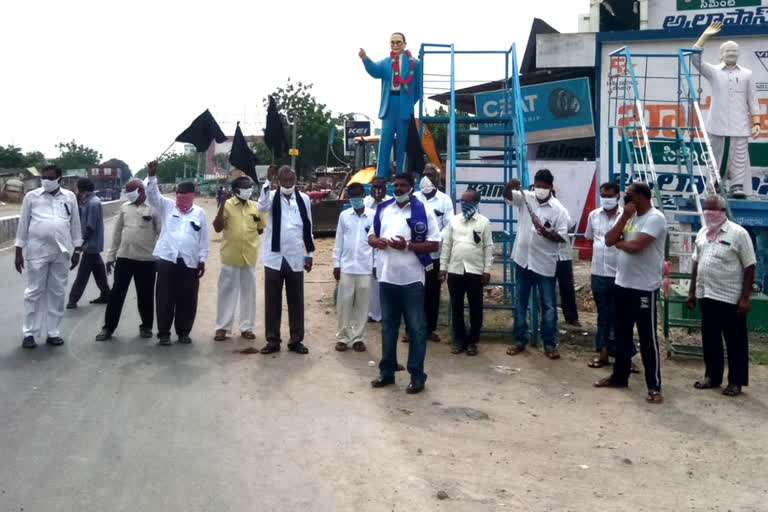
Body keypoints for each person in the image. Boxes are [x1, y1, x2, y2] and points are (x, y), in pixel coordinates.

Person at [595, 182, 668, 404]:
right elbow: (609, 240)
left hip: (644, 287)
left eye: (629, 197)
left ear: (640, 198)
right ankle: (619, 377)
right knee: (622, 335)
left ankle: (654, 386)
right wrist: (624, 219)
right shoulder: (631, 219)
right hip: (623, 285)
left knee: (647, 338)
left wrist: (621, 244)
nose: (626, 201)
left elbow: (637, 247)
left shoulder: (655, 218)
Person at [368, 173, 440, 394]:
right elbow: (371, 236)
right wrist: (377, 241)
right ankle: (387, 372)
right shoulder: (384, 209)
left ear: (411, 188)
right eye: (395, 185)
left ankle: (417, 376)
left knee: (417, 329)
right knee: (388, 327)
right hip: (387, 278)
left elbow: (435, 244)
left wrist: (407, 246)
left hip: (412, 281)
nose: (398, 189)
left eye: (402, 186)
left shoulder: (424, 211)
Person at [687, 195, 756, 397]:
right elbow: (696, 263)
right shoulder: (702, 232)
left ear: (723, 211)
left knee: (735, 342)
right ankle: (712, 376)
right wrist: (692, 292)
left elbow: (750, 266)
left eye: (713, 209)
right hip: (706, 294)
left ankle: (736, 381)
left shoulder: (738, 233)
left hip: (730, 297)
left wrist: (745, 298)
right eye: (706, 209)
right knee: (710, 339)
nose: (708, 213)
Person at [502, 169, 570, 359]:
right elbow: (507, 196)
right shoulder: (527, 197)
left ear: (550, 187)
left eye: (544, 187)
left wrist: (546, 232)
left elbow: (562, 237)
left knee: (548, 305)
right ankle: (519, 340)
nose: (540, 189)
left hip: (544, 264)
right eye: (537, 185)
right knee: (520, 302)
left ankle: (549, 344)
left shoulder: (559, 210)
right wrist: (510, 185)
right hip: (522, 260)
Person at [14, 165, 82, 348]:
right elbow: (23, 223)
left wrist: (77, 249)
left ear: (59, 178)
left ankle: (53, 332)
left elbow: (75, 223)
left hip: (62, 252)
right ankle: (30, 333)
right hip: (37, 251)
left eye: (50, 178)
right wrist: (18, 250)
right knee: (34, 292)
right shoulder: (32, 197)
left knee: (57, 292)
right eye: (44, 177)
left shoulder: (69, 197)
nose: (46, 181)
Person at [692, 21, 761, 199]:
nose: (731, 54)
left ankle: (737, 186)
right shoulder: (714, 71)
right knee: (715, 155)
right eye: (728, 51)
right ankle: (714, 183)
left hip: (740, 124)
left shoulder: (747, 73)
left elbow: (753, 100)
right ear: (722, 54)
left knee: (739, 157)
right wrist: (704, 37)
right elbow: (695, 59)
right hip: (717, 123)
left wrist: (757, 122)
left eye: (734, 51)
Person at [146, 160, 210, 345]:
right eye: (178, 192)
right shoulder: (167, 206)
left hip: (189, 262)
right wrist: (152, 176)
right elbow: (152, 197)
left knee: (187, 299)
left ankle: (183, 332)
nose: (180, 196)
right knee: (165, 298)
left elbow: (204, 238)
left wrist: (202, 259)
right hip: (167, 260)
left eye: (184, 193)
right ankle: (164, 333)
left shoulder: (199, 213)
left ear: (192, 195)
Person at [95, 178, 161, 341]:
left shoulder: (154, 209)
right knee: (116, 294)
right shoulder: (124, 208)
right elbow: (117, 234)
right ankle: (108, 328)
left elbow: (161, 234)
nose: (129, 193)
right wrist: (111, 256)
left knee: (145, 295)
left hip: (147, 260)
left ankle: (146, 326)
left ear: (142, 190)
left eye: (131, 190)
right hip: (124, 259)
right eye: (127, 190)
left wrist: (160, 258)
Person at [258, 165, 314, 355]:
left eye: (291, 180)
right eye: (285, 180)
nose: (288, 184)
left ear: (296, 180)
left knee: (296, 301)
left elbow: (308, 226)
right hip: (274, 258)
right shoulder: (272, 196)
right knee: (272, 301)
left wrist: (310, 254)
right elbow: (261, 207)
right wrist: (267, 181)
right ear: (279, 181)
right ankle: (272, 340)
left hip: (296, 256)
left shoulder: (304, 199)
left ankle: (296, 340)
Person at [585, 182, 639, 369]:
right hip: (598, 272)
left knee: (622, 317)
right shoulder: (594, 216)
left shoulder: (629, 217)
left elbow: (630, 240)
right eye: (603, 195)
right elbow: (590, 238)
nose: (606, 199)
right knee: (603, 315)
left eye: (609, 195)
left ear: (617, 196)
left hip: (620, 274)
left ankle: (626, 357)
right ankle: (603, 354)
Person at [359, 32, 422, 178]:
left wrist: (410, 102)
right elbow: (375, 71)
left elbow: (418, 88)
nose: (395, 45)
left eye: (398, 42)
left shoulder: (415, 63)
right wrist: (365, 59)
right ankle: (381, 176)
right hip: (389, 104)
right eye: (392, 42)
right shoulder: (386, 62)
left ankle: (402, 176)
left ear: (405, 44)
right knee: (385, 140)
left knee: (403, 144)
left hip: (404, 105)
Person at [439, 188, 493, 356]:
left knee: (476, 307)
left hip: (475, 271)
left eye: (467, 201)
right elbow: (447, 245)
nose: (464, 204)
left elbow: (488, 247)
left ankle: (473, 341)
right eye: (462, 201)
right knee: (456, 306)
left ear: (476, 203)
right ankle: (459, 340)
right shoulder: (454, 221)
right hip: (455, 270)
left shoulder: (483, 222)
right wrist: (443, 267)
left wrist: (487, 270)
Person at [212, 176, 266, 342]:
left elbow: (260, 229)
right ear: (236, 190)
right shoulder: (227, 205)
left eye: (250, 186)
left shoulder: (256, 207)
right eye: (245, 186)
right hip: (231, 256)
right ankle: (222, 327)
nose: (249, 189)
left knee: (249, 294)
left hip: (249, 256)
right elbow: (217, 227)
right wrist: (222, 203)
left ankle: (247, 327)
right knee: (227, 292)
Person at [413, 163, 453, 343]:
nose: (426, 178)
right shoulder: (413, 197)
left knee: (432, 292)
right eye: (424, 174)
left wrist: (434, 239)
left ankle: (430, 329)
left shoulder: (445, 200)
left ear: (437, 178)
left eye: (430, 174)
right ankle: (410, 329)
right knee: (413, 292)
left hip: (434, 255)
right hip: (415, 255)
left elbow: (448, 224)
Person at [333, 182, 375, 352]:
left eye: (358, 196)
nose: (355, 199)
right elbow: (339, 241)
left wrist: (375, 264)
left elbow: (376, 243)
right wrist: (337, 264)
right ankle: (343, 337)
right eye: (352, 196)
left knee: (362, 304)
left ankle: (358, 337)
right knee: (344, 303)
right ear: (348, 197)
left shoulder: (373, 215)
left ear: (363, 195)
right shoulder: (344, 216)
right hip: (347, 266)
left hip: (365, 267)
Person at [66, 178, 111, 308]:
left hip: (90, 244)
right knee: (99, 271)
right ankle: (106, 294)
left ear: (82, 189)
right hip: (93, 244)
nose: (77, 192)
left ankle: (72, 300)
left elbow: (90, 226)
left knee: (82, 275)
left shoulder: (92, 203)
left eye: (78, 189)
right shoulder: (90, 201)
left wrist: (80, 245)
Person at [364, 177, 392, 322]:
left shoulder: (391, 203)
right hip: (368, 246)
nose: (377, 191)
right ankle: (371, 313)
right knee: (369, 283)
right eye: (374, 187)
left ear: (386, 188)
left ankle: (383, 313)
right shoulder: (365, 203)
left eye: (380, 187)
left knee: (383, 281)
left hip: (384, 245)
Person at [556, 225, 580, 327]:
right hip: (547, 255)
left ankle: (571, 317)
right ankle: (544, 316)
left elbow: (571, 226)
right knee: (544, 287)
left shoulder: (564, 213)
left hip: (564, 255)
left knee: (567, 287)